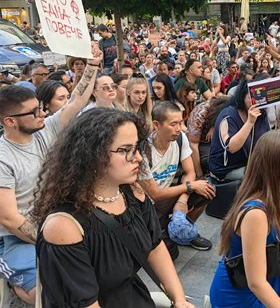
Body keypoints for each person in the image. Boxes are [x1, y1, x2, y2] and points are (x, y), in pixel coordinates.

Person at [32, 109, 194, 308]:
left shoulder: (133, 193)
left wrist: (179, 299)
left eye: (137, 147)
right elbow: (84, 302)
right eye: (125, 150)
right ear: (92, 155)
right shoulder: (64, 226)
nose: (139, 158)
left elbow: (155, 247)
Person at [0, 45, 101, 304]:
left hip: (54, 222)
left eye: (40, 107)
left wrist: (91, 66)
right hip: (14, 238)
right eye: (34, 112)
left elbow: (77, 101)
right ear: (10, 121)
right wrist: (53, 243)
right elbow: (11, 219)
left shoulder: (44, 130)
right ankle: (17, 287)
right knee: (43, 293)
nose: (43, 113)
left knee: (96, 269)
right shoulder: (2, 157)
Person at [209, 131, 280, 307]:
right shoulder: (256, 213)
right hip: (240, 294)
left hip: (267, 273)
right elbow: (256, 283)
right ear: (274, 169)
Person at [138, 102, 215, 251]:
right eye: (173, 124)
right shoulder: (143, 150)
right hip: (148, 205)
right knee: (171, 254)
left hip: (169, 194)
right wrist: (189, 187)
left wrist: (182, 200)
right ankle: (166, 232)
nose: (179, 128)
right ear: (156, 125)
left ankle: (182, 228)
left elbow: (190, 172)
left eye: (180, 122)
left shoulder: (180, 139)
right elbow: (154, 193)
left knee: (207, 190)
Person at [209, 80, 270, 182]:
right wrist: (249, 123)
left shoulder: (261, 114)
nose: (256, 101)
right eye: (251, 97)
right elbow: (231, 147)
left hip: (248, 164)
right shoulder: (228, 115)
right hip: (227, 169)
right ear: (242, 97)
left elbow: (266, 139)